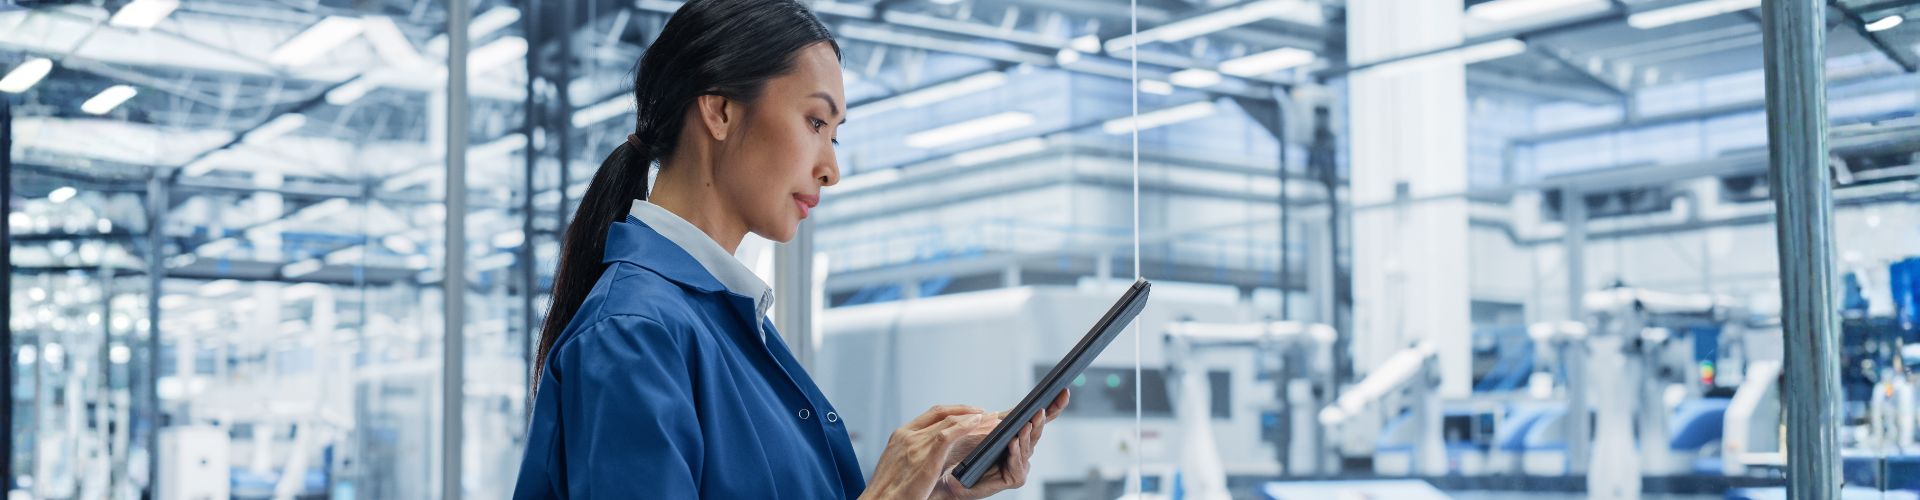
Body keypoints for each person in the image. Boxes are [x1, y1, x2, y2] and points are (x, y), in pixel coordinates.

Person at [509, 0, 1069, 498]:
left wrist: (930, 493)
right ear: (720, 110)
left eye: (835, 134)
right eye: (815, 121)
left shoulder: (718, 322)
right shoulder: (634, 335)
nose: (831, 169)